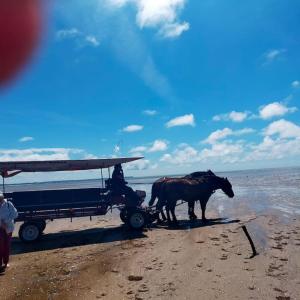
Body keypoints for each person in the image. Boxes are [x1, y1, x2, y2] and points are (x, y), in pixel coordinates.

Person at [0, 192, 18, 272]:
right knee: (0, 246)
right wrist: (1, 223)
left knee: (7, 245)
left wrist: (6, 222)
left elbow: (15, 214)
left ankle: (6, 262)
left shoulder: (8, 204)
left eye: (0, 197)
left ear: (2, 197)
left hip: (9, 228)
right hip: (0, 228)